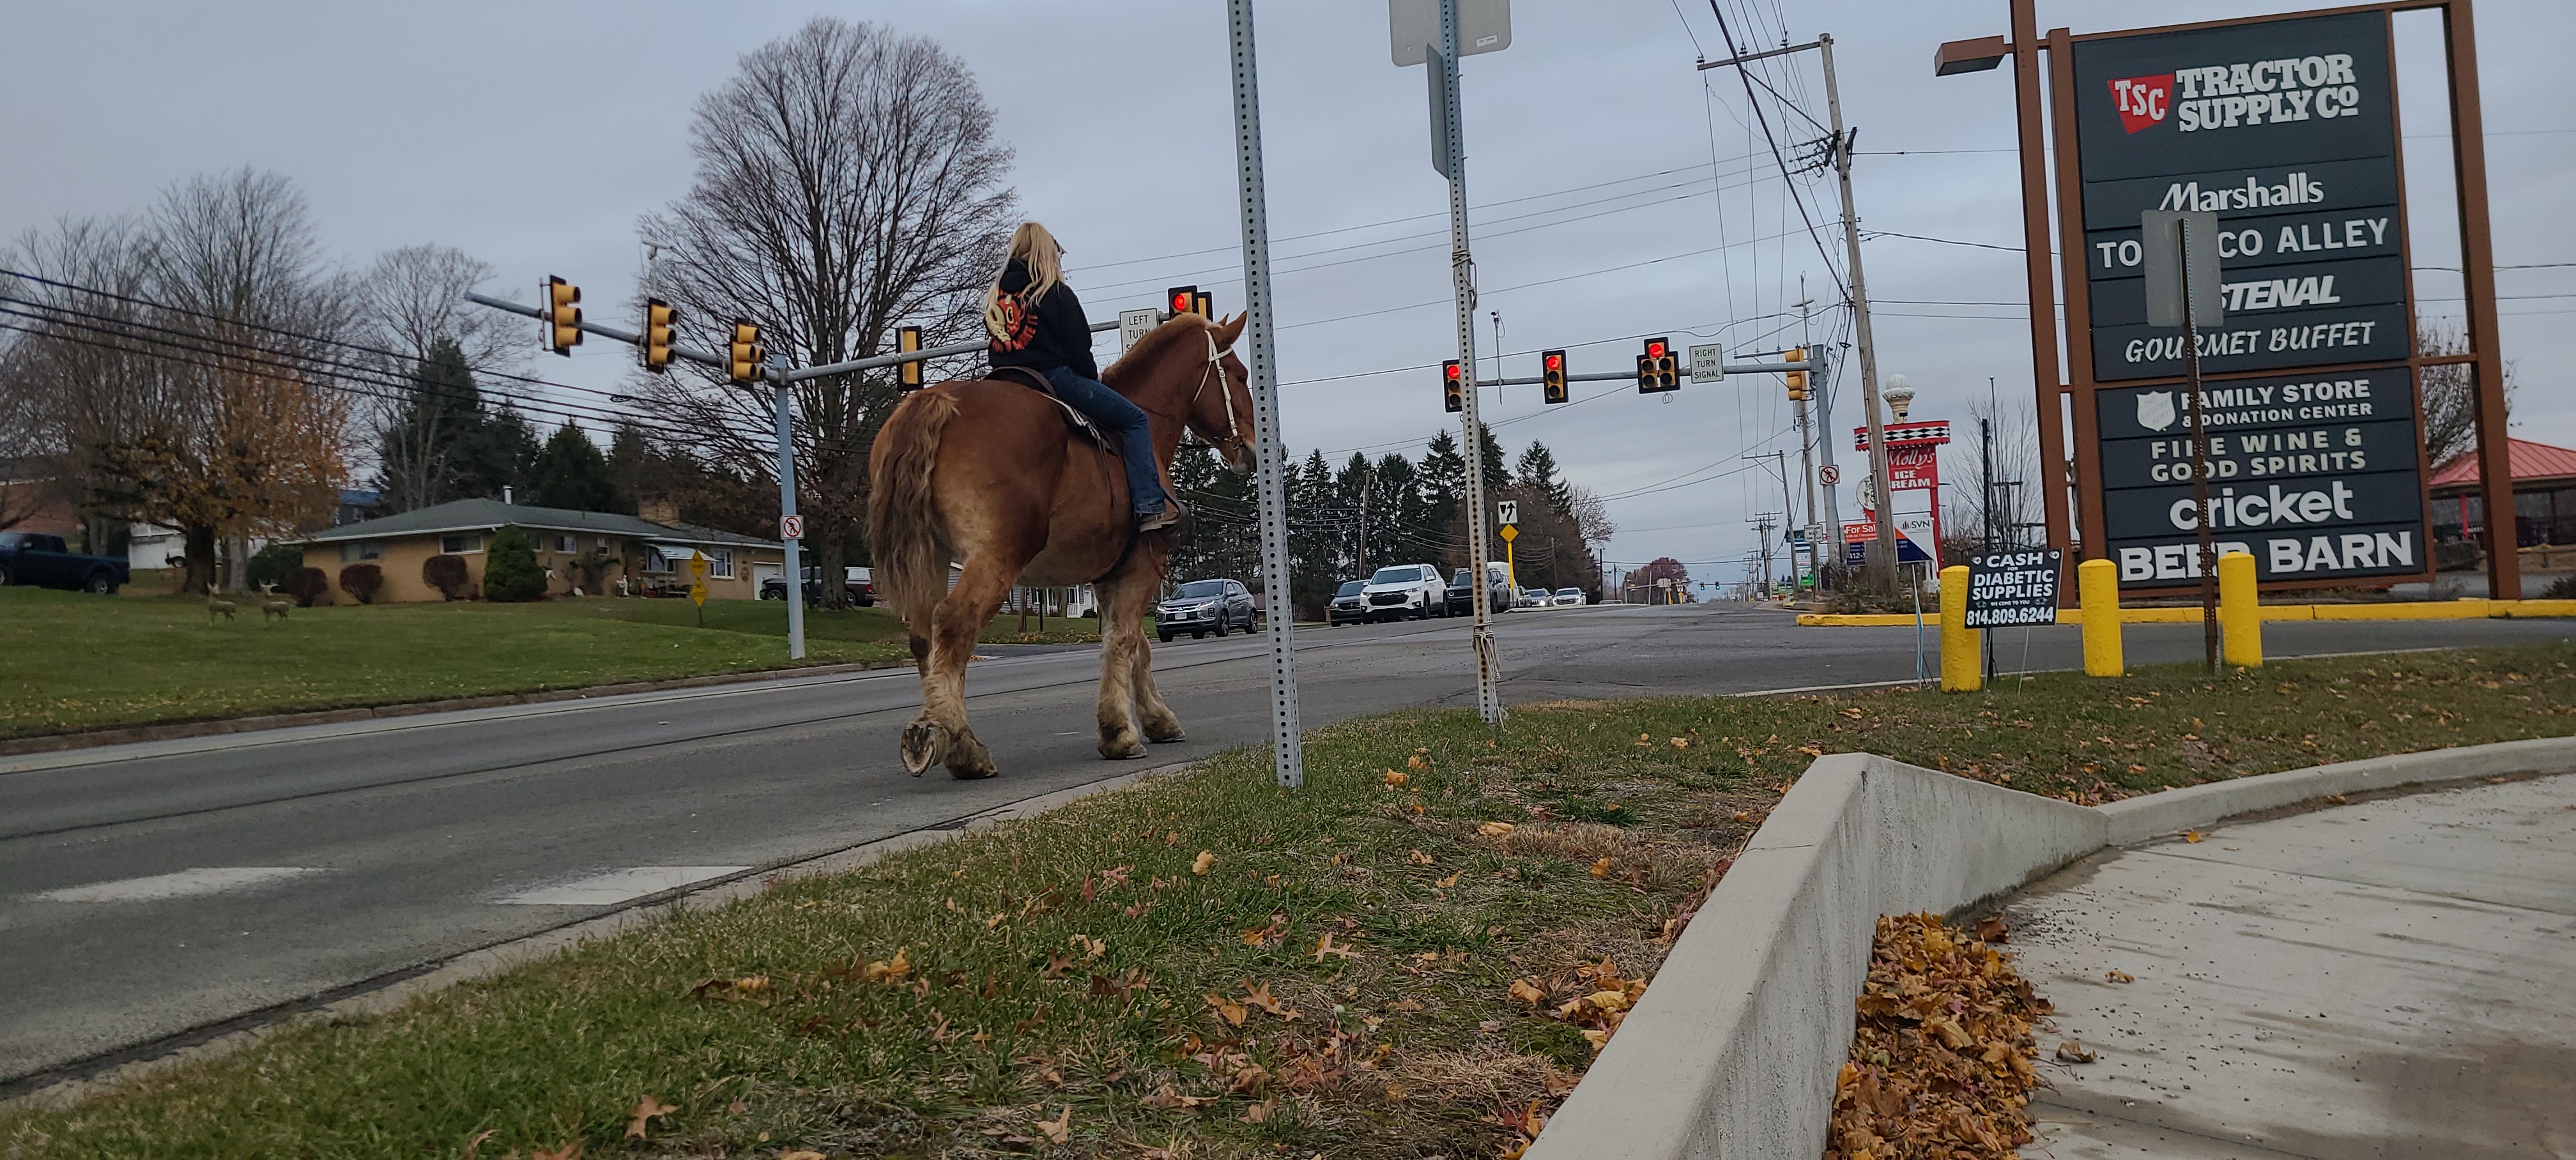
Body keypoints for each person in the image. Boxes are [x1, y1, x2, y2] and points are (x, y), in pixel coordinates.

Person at [985, 222, 1183, 533]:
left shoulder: (996, 299)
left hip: (1002, 384)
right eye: (1057, 254)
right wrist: (1093, 381)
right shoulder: (1054, 293)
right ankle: (1149, 507)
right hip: (1052, 380)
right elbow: (1080, 351)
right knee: (1135, 420)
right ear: (1045, 254)